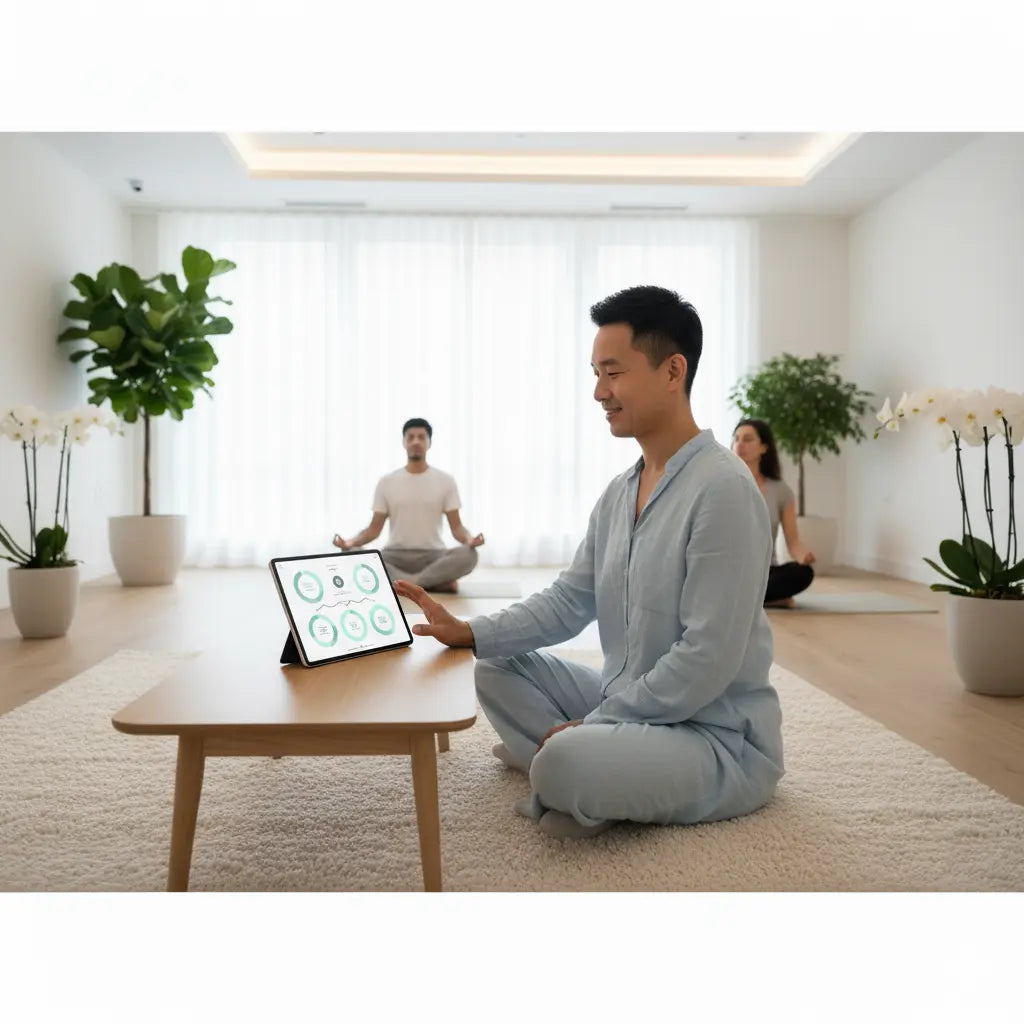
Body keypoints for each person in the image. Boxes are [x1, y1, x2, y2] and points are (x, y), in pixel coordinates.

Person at [395, 286, 784, 840]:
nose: (599, 391)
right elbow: (568, 601)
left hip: (714, 736)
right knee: (495, 665)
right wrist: (470, 631)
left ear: (673, 371)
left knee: (561, 762)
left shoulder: (723, 488)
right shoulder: (619, 492)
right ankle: (587, 765)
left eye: (613, 372)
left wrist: (597, 724)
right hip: (625, 697)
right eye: (595, 374)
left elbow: (706, 658)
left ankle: (569, 764)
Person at [332, 418, 484, 593]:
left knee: (469, 555)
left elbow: (457, 528)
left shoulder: (446, 481)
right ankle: (430, 584)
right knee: (349, 552)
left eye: (421, 437)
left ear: (429, 443)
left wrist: (470, 540)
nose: (416, 441)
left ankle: (405, 584)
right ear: (404, 443)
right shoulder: (387, 482)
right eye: (410, 437)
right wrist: (350, 542)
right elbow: (373, 530)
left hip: (433, 556)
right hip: (394, 556)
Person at [731, 418, 815, 608]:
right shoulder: (723, 484)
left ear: (764, 447)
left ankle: (746, 599)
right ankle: (768, 599)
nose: (739, 444)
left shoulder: (781, 491)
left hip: (765, 572)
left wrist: (804, 557)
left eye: (747, 439)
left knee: (803, 573)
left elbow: (793, 541)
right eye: (736, 439)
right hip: (730, 569)